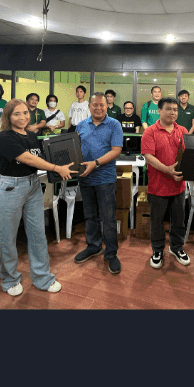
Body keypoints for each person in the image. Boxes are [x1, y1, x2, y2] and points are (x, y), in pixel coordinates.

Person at [0, 100, 75, 296]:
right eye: (16, 114)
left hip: (32, 185)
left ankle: (42, 277)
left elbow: (44, 155)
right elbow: (28, 158)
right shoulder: (4, 137)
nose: (22, 117)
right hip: (11, 187)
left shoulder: (31, 135)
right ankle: (9, 279)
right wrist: (56, 168)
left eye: (25, 113)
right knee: (8, 237)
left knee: (38, 234)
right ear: (8, 117)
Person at [71, 92, 123, 274]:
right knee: (90, 215)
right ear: (89, 106)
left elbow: (117, 150)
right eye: (95, 105)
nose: (98, 108)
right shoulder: (81, 125)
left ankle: (111, 253)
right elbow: (75, 149)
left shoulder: (114, 124)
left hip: (105, 179)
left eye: (102, 105)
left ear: (107, 106)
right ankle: (93, 246)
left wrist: (96, 163)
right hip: (85, 178)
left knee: (108, 218)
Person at [140, 95, 190, 271]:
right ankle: (157, 250)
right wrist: (167, 170)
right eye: (168, 109)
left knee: (179, 220)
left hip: (178, 185)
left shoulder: (182, 131)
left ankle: (176, 247)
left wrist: (183, 172)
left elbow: (188, 155)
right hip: (157, 186)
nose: (172, 112)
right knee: (157, 221)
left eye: (175, 109)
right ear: (159, 111)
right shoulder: (150, 132)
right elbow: (148, 156)